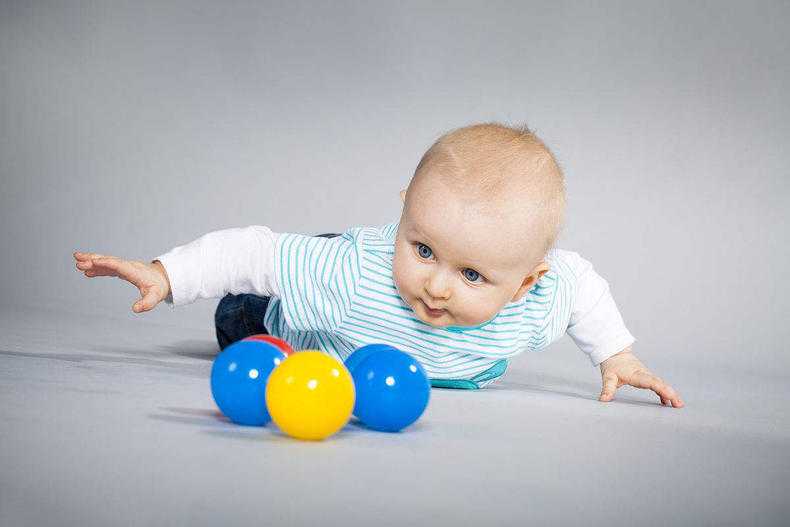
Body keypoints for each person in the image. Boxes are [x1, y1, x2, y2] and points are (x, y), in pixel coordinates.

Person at [74, 122, 684, 406]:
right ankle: (284, 297)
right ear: (404, 218)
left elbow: (583, 286)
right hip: (306, 315)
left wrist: (617, 355)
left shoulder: (542, 295)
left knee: (363, 262)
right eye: (423, 249)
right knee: (246, 311)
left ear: (526, 282)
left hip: (372, 306)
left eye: (472, 275)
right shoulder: (353, 275)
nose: (438, 286)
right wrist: (167, 274)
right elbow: (256, 253)